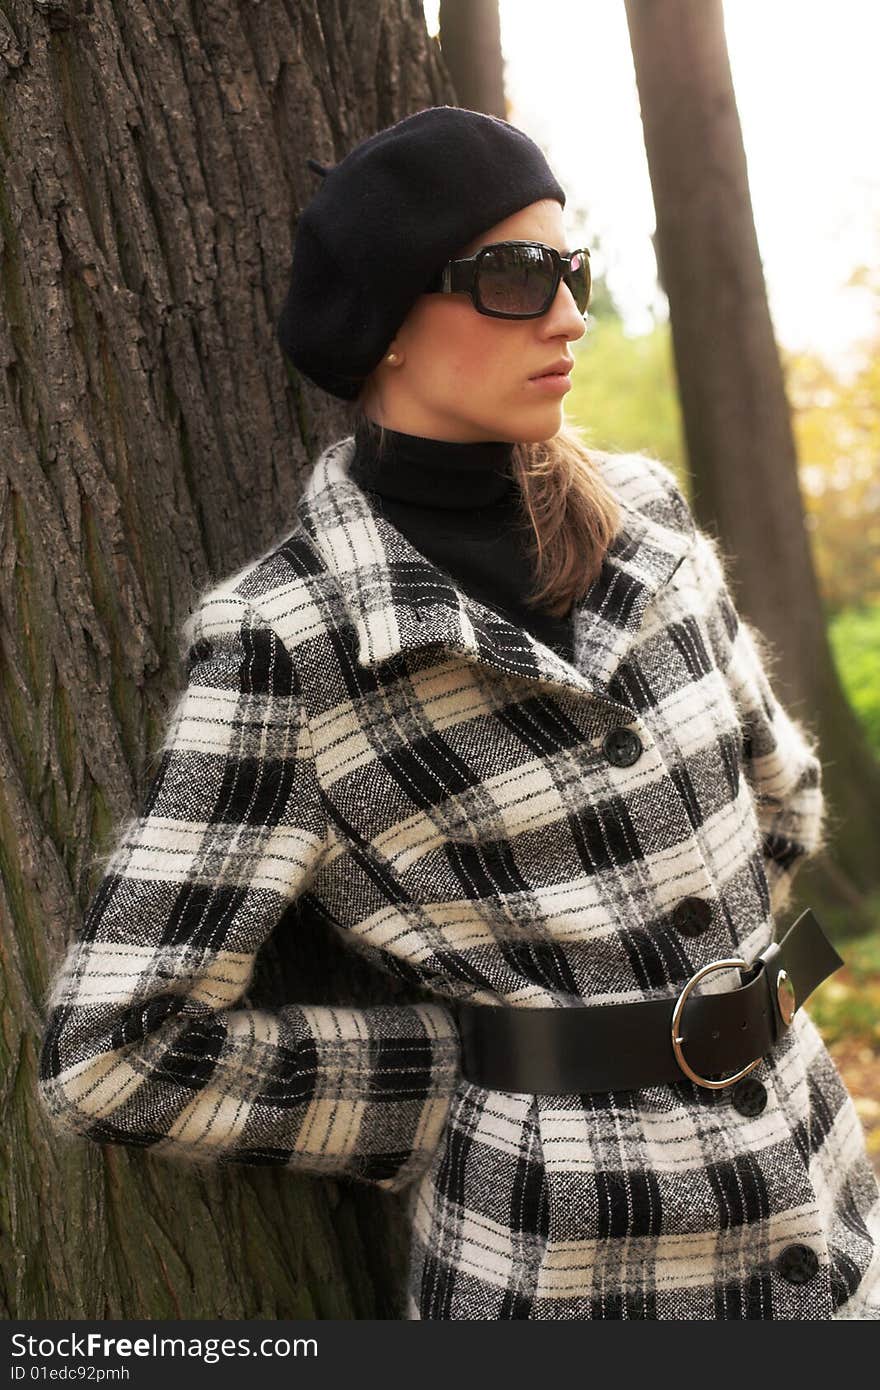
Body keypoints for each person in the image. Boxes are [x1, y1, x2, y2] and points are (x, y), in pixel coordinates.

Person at [37, 105, 880, 1320]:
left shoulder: (644, 519)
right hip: (563, 1272)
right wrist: (477, 1080)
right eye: (513, 275)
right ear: (382, 322)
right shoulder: (294, 642)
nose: (569, 314)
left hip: (823, 1196)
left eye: (568, 268)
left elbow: (780, 801)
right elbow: (114, 1055)